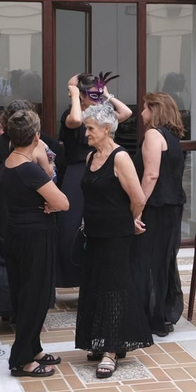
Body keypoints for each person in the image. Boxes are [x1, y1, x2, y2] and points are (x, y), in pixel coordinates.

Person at [74, 101, 151, 378]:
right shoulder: (89, 157)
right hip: (93, 233)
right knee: (95, 286)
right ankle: (99, 340)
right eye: (86, 129)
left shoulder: (120, 157)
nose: (87, 134)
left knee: (114, 288)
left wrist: (130, 221)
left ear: (107, 128)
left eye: (91, 129)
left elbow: (138, 198)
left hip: (116, 235)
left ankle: (111, 348)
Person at [0, 108, 69, 377]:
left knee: (23, 293)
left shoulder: (8, 163)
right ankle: (22, 359)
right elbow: (63, 202)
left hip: (16, 234)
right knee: (35, 297)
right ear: (37, 137)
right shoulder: (29, 170)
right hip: (36, 236)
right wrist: (51, 204)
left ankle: (34, 346)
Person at [57, 73, 132, 288]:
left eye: (99, 94)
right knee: (70, 226)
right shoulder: (71, 114)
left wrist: (108, 95)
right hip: (76, 170)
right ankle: (69, 278)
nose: (97, 98)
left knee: (99, 220)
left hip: (99, 168)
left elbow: (126, 112)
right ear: (81, 95)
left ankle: (94, 277)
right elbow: (77, 120)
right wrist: (73, 93)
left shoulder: (102, 115)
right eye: (93, 94)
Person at [134, 92, 187, 337]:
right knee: (165, 260)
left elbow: (151, 175)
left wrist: (138, 206)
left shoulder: (153, 135)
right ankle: (166, 313)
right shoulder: (174, 138)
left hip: (156, 207)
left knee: (148, 261)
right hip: (172, 206)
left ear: (155, 110)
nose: (141, 113)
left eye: (144, 108)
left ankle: (151, 316)